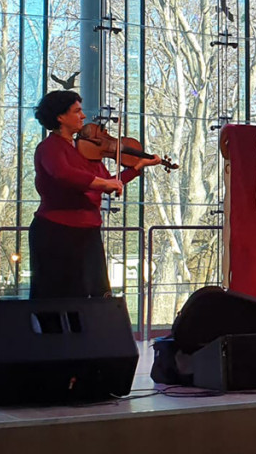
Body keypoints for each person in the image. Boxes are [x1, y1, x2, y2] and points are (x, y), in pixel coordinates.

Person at [29, 90, 162, 299]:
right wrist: (104, 182)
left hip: (88, 232)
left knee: (95, 296)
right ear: (60, 117)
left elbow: (109, 182)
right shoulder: (49, 147)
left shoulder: (86, 152)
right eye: (77, 111)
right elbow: (64, 174)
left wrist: (138, 167)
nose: (83, 116)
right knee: (57, 298)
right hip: (56, 232)